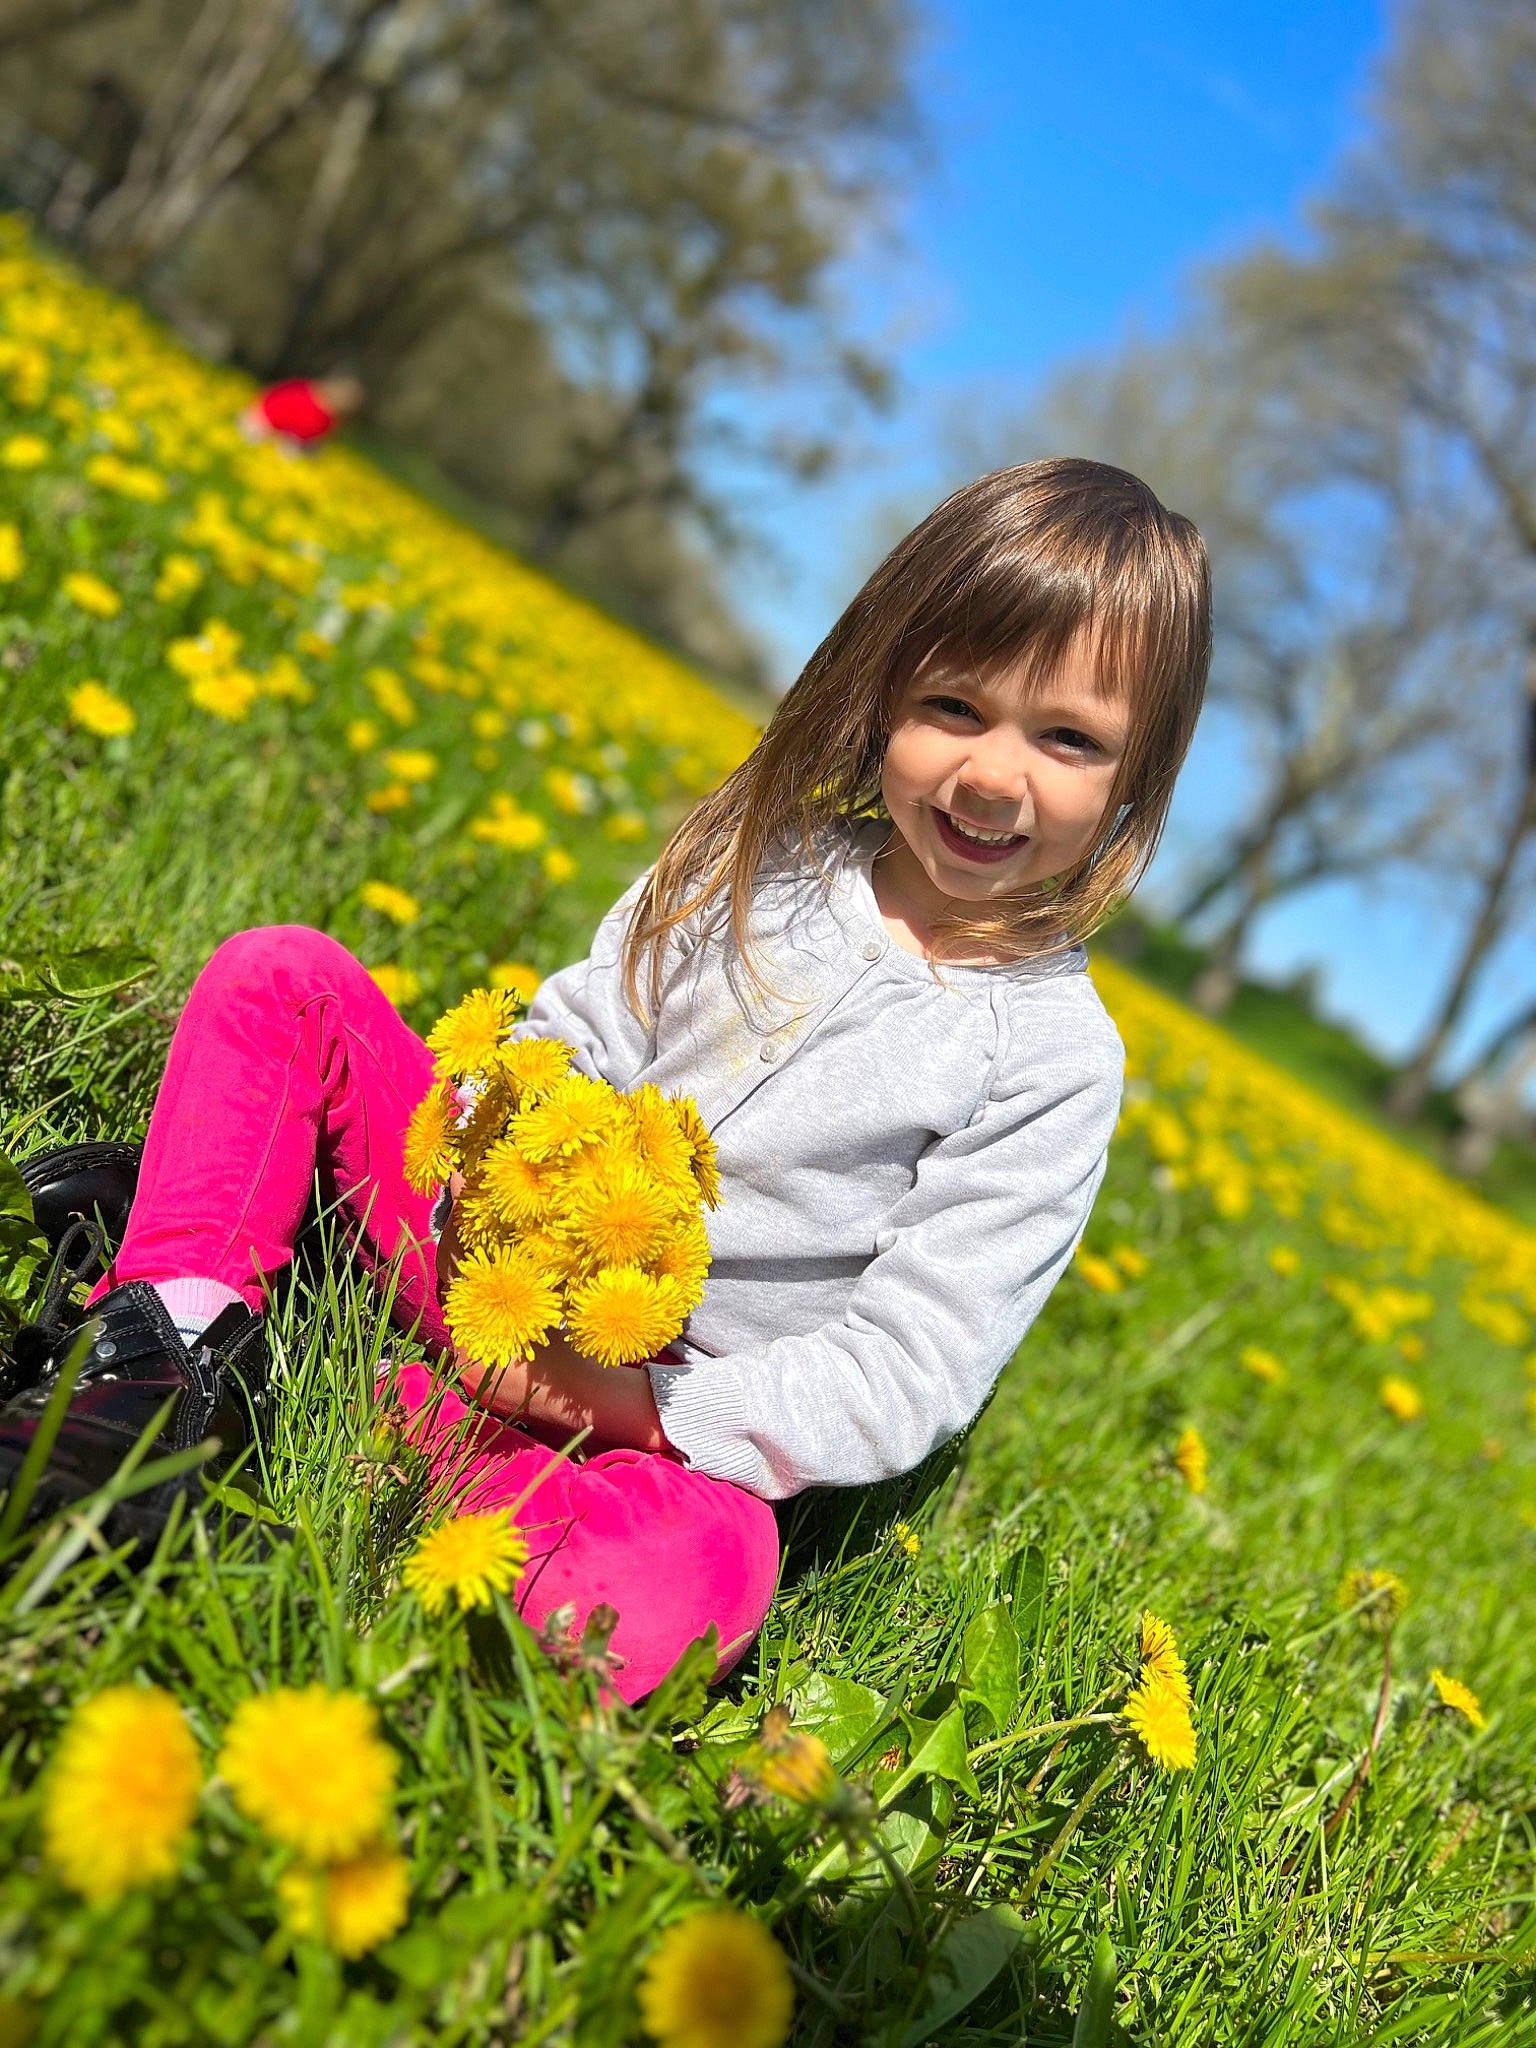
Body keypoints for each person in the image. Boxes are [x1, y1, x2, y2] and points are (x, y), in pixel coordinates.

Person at [0, 459, 1210, 1701]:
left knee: (701, 1578)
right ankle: (171, 1344)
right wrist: (481, 1162)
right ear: (885, 681)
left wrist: (623, 1401)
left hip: (676, 1413)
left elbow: (907, 1370)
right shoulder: (760, 856)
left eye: (1068, 739)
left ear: (1136, 776)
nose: (994, 776)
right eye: (956, 706)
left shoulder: (1053, 1058)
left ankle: (326, 1339)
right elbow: (576, 1037)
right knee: (281, 977)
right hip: (494, 1256)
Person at [238, 373, 364, 453]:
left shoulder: (327, 419)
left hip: (271, 423)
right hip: (263, 420)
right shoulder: (309, 404)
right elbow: (273, 400)